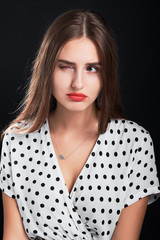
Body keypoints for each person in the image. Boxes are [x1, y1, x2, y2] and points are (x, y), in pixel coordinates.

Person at [0, 9, 160, 240]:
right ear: (47, 69)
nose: (78, 83)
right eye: (65, 66)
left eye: (92, 68)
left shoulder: (134, 143)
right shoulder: (17, 141)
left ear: (107, 75)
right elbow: (13, 235)